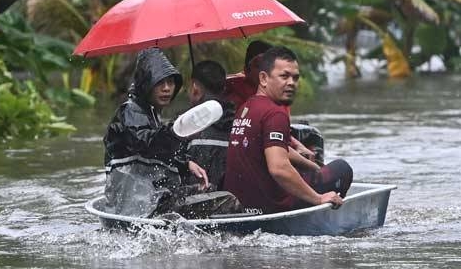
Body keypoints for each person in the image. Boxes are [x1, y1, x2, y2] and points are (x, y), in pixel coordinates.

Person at [224, 46, 353, 215]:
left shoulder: (246, 107)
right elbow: (279, 168)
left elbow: (276, 150)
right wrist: (318, 198)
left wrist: (312, 166)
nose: (291, 82)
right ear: (263, 78)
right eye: (284, 76)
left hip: (242, 206)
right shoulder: (275, 113)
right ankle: (323, 212)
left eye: (295, 77)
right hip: (270, 206)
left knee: (308, 171)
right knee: (342, 168)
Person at [103, 47, 208, 217]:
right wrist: (177, 130)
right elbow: (147, 144)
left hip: (152, 199)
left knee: (208, 191)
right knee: (225, 201)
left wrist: (185, 164)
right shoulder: (130, 112)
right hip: (136, 207)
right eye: (159, 83)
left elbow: (154, 155)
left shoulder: (151, 114)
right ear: (146, 84)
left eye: (170, 82)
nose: (167, 88)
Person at [224, 39, 323, 168]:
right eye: (258, 65)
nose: (291, 82)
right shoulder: (231, 92)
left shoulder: (279, 94)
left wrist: (297, 145)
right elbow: (277, 161)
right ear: (246, 70)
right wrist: (312, 167)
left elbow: (279, 135)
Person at [185, 60, 236, 189]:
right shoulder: (238, 123)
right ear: (224, 88)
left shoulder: (184, 128)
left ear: (195, 87)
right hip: (232, 201)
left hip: (196, 202)